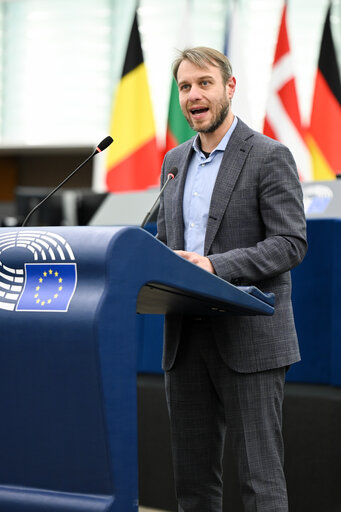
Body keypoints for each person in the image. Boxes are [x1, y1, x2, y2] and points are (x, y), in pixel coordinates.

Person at [156, 47, 307, 512]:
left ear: (229, 88)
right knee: (194, 487)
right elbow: (165, 242)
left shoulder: (268, 155)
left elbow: (290, 243)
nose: (193, 95)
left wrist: (215, 266)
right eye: (185, 87)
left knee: (260, 484)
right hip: (187, 338)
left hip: (251, 336)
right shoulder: (173, 161)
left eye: (204, 83)